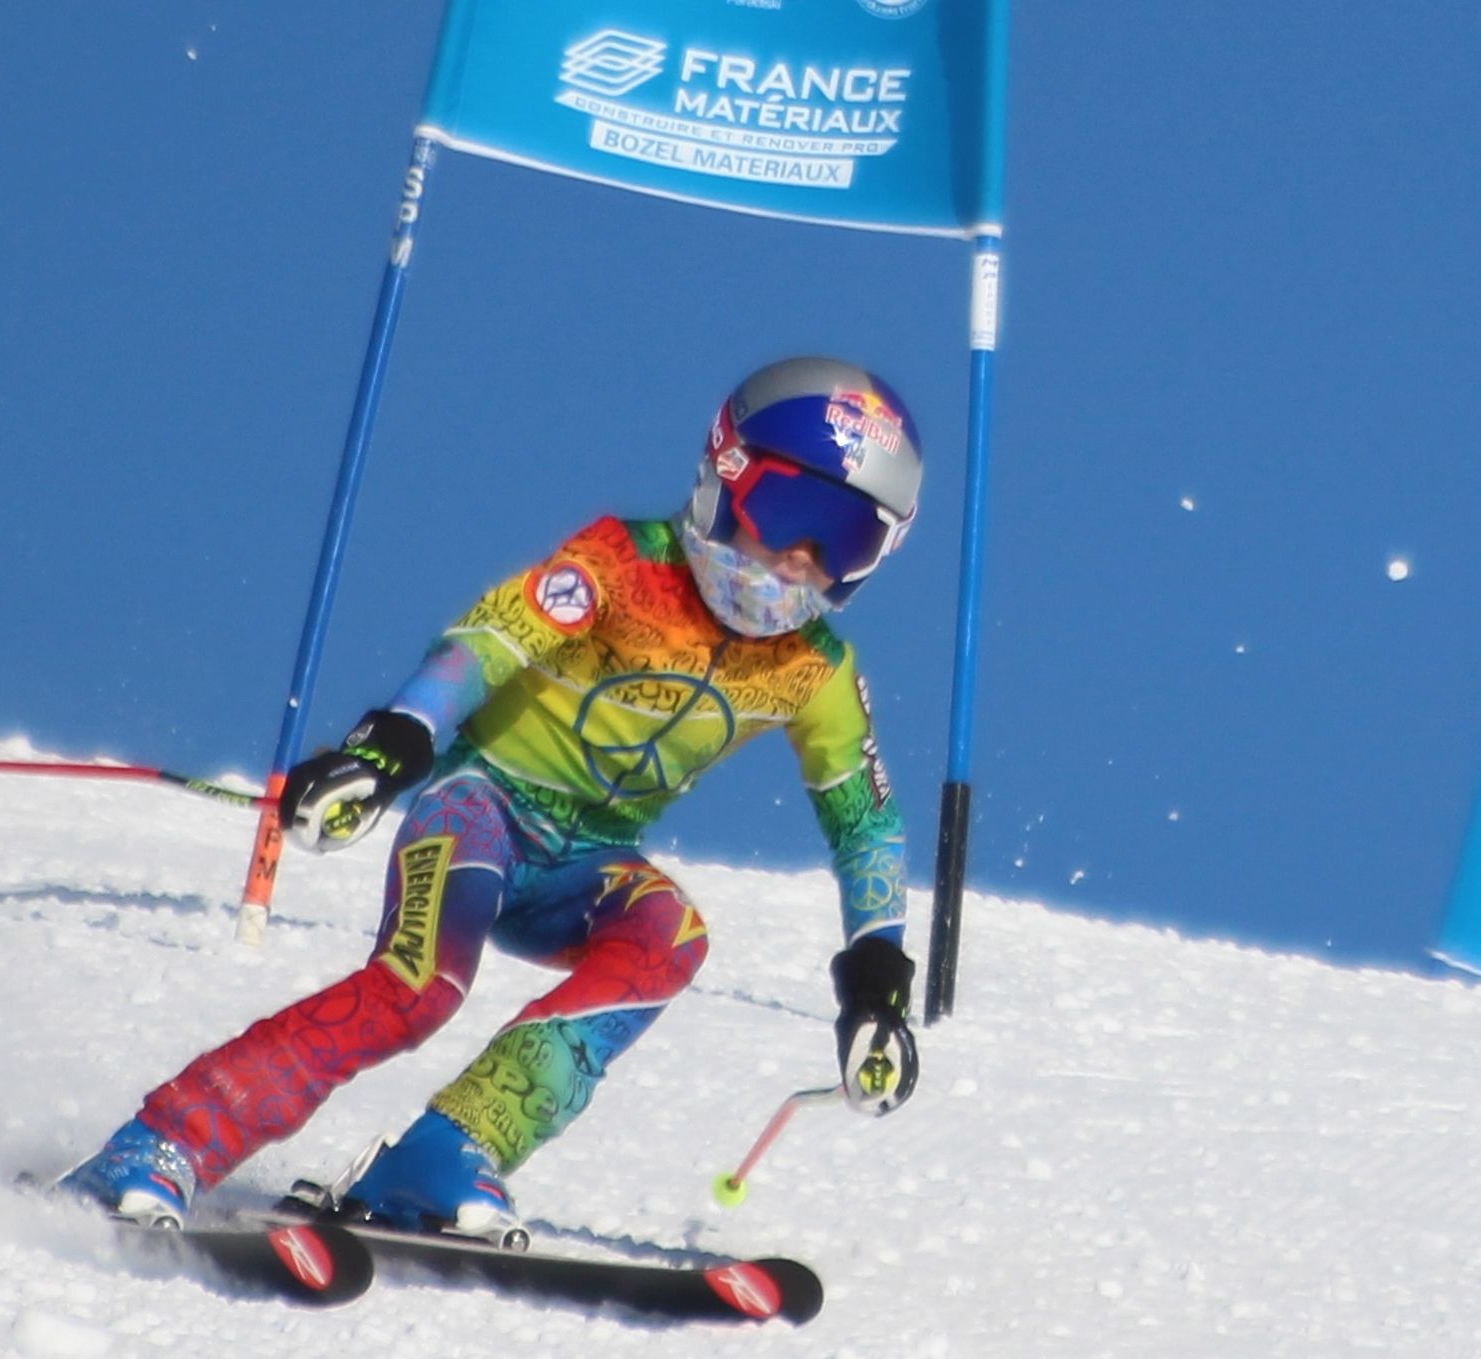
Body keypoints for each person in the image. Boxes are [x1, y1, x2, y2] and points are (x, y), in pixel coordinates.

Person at [57, 356, 924, 1239]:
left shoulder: (814, 669)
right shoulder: (622, 563)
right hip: (482, 810)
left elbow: (866, 824)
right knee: (418, 987)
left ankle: (443, 1155)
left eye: (846, 541)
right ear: (723, 475)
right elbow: (491, 641)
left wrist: (877, 981)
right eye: (788, 511)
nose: (801, 559)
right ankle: (166, 1139)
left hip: (582, 865)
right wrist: (391, 743)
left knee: (670, 936)